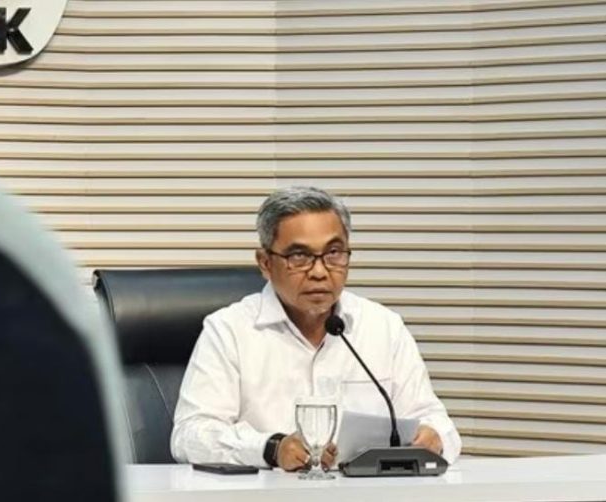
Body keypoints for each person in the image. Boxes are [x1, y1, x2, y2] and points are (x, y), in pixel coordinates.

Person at [170, 186, 461, 470]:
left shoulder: (383, 326)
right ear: (265, 263)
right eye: (299, 256)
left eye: (333, 253)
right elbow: (190, 435)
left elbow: (435, 419)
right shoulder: (229, 331)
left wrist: (433, 437)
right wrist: (271, 448)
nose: (320, 272)